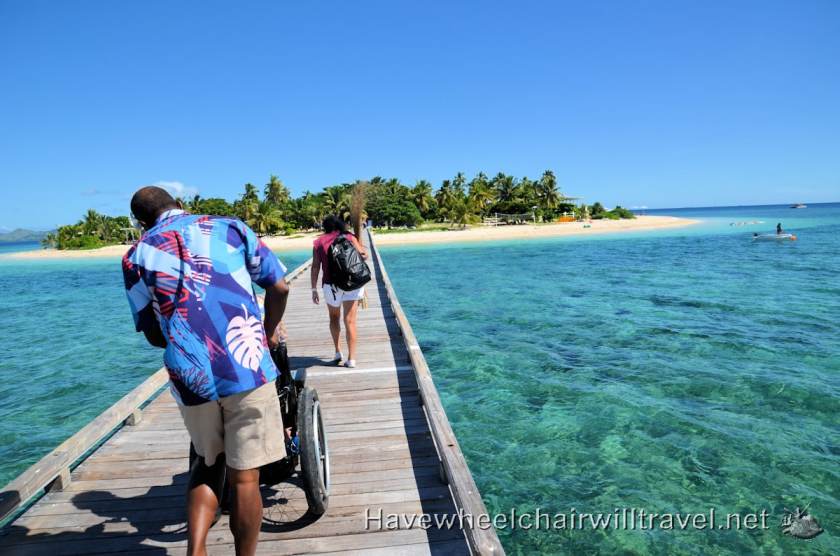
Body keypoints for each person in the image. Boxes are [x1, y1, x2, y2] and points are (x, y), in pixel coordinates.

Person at [122, 186, 289, 556]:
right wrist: (268, 332)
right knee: (245, 479)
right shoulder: (229, 228)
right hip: (248, 368)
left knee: (207, 464)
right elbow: (279, 287)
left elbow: (152, 333)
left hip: (190, 376)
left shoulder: (136, 255)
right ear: (180, 204)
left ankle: (195, 550)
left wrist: (183, 339)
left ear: (141, 222)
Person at [310, 215, 368, 368]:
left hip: (331, 286)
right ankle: (352, 359)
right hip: (352, 284)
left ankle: (337, 351)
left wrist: (313, 289)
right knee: (350, 321)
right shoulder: (350, 237)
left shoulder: (319, 242)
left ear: (325, 227)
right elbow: (364, 256)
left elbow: (315, 267)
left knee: (334, 318)